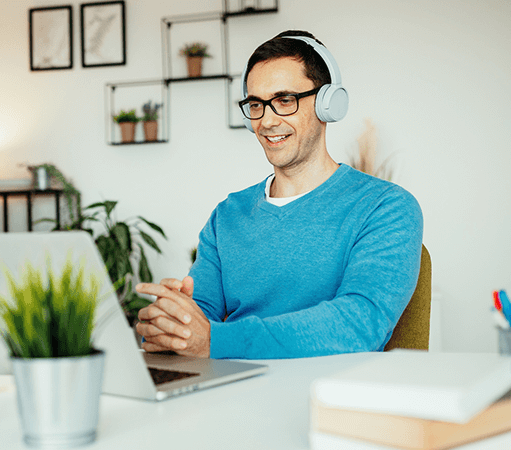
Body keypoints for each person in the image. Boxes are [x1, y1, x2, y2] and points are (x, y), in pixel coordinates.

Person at [134, 30, 423, 359]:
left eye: (285, 100)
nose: (268, 121)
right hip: (231, 395)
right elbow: (199, 319)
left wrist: (216, 341)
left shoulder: (386, 207)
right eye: (256, 104)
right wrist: (172, 323)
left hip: (328, 399)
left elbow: (359, 325)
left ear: (328, 103)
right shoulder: (228, 214)